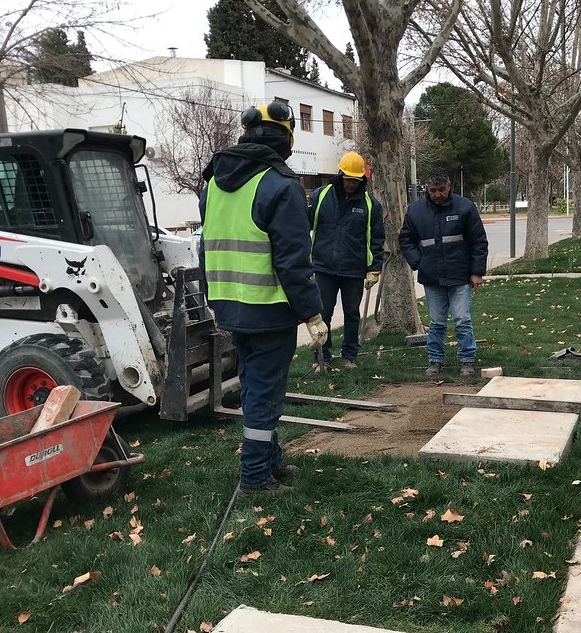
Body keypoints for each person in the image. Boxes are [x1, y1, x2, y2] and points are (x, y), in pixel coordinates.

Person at [198, 101, 328, 497]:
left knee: (255, 385)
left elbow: (207, 247)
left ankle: (270, 462)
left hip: (229, 305)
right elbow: (293, 261)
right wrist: (313, 314)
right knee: (265, 394)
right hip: (268, 310)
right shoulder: (280, 185)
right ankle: (254, 476)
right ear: (287, 137)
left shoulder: (214, 183)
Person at [399, 168, 489, 378]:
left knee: (462, 320)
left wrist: (477, 272)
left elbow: (478, 241)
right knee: (437, 322)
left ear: (449, 187)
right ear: (427, 190)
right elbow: (405, 240)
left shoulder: (465, 208)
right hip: (432, 277)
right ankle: (435, 360)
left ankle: (467, 360)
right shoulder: (415, 211)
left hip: (460, 275)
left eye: (441, 189)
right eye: (433, 190)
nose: (437, 194)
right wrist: (418, 262)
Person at [308, 151, 385, 369]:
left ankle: (349, 355)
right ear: (340, 175)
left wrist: (374, 268)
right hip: (324, 267)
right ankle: (322, 356)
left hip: (354, 268)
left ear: (362, 179)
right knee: (324, 313)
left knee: (352, 313)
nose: (351, 184)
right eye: (348, 179)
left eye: (355, 180)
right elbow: (304, 227)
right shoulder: (320, 197)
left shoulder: (371, 206)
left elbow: (376, 238)